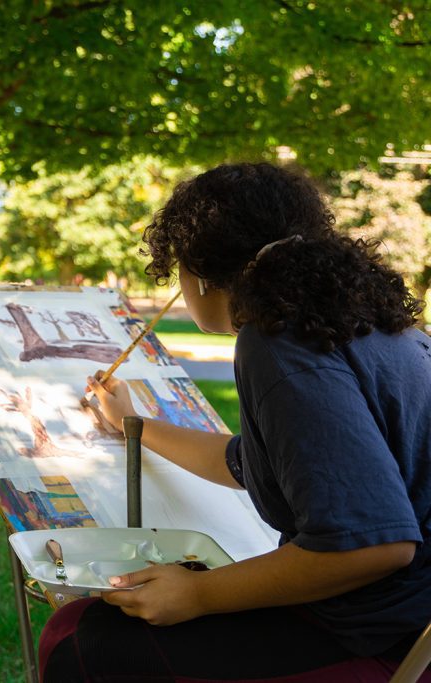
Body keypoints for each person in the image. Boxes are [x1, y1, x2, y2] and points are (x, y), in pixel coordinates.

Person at [39, 162, 431, 681]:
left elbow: (373, 545)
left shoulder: (277, 339)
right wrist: (134, 425)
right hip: (399, 619)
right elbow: (251, 462)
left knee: (80, 643)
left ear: (200, 272)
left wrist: (199, 594)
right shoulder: (355, 323)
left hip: (388, 638)